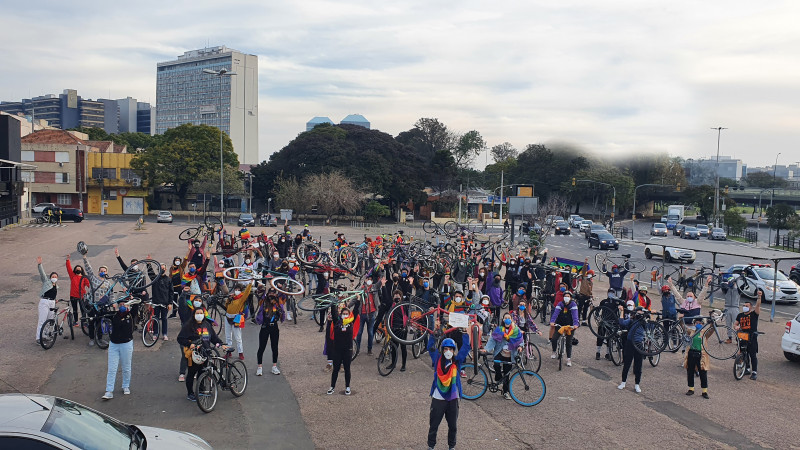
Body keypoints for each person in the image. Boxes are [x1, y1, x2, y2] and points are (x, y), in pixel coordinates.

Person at [427, 332, 470, 450]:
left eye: (450, 349)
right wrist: (433, 333)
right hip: (438, 398)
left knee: (453, 426)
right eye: (445, 349)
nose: (448, 351)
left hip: (452, 399)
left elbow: (466, 348)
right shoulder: (437, 359)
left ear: (454, 350)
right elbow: (430, 347)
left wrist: (465, 334)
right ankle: (431, 446)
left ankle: (452, 446)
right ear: (442, 350)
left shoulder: (457, 361)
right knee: (434, 425)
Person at [177, 307, 227, 401]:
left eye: (201, 313)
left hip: (205, 353)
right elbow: (180, 338)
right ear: (194, 315)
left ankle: (201, 390)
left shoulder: (207, 325)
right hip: (194, 355)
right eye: (197, 313)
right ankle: (190, 393)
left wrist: (221, 344)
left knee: (202, 372)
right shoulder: (188, 326)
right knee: (191, 373)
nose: (199, 315)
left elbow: (213, 337)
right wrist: (189, 344)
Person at [485, 312, 523, 398]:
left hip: (510, 354)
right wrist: (487, 349)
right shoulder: (499, 329)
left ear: (512, 320)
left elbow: (520, 339)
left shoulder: (516, 330)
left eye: (509, 318)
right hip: (500, 352)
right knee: (496, 364)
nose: (507, 319)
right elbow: (492, 340)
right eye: (505, 318)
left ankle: (505, 392)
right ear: (503, 319)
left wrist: (520, 346)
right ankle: (498, 377)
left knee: (507, 374)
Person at [102, 299, 134, 400]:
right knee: (112, 368)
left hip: (126, 344)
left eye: (124, 304)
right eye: (120, 304)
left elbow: (138, 303)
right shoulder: (114, 315)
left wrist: (131, 300)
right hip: (114, 344)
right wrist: (109, 304)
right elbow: (103, 312)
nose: (122, 306)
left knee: (126, 367)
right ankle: (109, 391)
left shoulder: (131, 314)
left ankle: (126, 386)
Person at [327, 300, 361, 395]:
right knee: (336, 369)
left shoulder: (351, 321)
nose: (345, 315)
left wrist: (358, 300)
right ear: (341, 314)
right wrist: (333, 300)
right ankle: (332, 387)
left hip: (348, 349)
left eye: (347, 314)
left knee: (347, 369)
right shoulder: (337, 321)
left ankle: (348, 387)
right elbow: (334, 311)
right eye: (343, 313)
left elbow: (356, 310)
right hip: (337, 349)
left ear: (349, 315)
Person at [734, 290, 762, 381]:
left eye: (747, 306)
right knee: (743, 353)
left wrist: (759, 297)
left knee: (752, 354)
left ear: (751, 307)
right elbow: (735, 324)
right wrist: (736, 327)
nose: (745, 307)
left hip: (752, 337)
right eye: (744, 306)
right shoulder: (740, 315)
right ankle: (747, 368)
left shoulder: (754, 314)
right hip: (742, 336)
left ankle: (754, 372)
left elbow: (758, 306)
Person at [617, 302, 645, 393]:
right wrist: (621, 311)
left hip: (639, 344)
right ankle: (623, 382)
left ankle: (637, 384)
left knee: (638, 365)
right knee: (627, 364)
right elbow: (621, 322)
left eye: (642, 312)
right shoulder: (631, 320)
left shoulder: (644, 322)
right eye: (639, 312)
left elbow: (652, 327)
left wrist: (651, 315)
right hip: (630, 343)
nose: (640, 313)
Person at [256, 290, 284, 376]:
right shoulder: (263, 302)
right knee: (262, 347)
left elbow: (284, 297)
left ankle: (274, 366)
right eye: (270, 293)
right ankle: (259, 367)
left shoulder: (278, 303)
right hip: (265, 327)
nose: (271, 295)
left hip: (274, 327)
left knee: (274, 347)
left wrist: (281, 289)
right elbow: (259, 295)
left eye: (273, 293)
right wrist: (261, 289)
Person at [549, 292, 580, 366]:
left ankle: (568, 359)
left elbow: (575, 315)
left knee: (569, 342)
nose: (566, 298)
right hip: (560, 325)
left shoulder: (573, 304)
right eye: (565, 296)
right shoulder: (560, 304)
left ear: (571, 297)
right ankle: (554, 351)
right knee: (554, 339)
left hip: (570, 326)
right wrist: (552, 321)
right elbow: (555, 313)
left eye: (568, 296)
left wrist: (576, 324)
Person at [684, 318, 711, 398]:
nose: (698, 324)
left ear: (703, 324)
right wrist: (680, 319)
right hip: (691, 353)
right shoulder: (691, 331)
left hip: (701, 355)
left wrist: (712, 322)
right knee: (690, 371)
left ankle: (704, 391)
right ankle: (691, 389)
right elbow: (684, 328)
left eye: (700, 323)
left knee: (703, 373)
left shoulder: (705, 333)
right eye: (696, 322)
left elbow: (711, 330)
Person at [35, 257, 59, 344]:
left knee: (50, 320)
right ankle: (38, 338)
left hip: (52, 303)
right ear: (50, 277)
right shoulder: (46, 282)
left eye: (56, 277)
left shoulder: (56, 286)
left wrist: (55, 300)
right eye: (53, 276)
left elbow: (54, 294)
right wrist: (40, 264)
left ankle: (45, 336)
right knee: (42, 320)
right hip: (45, 302)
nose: (54, 278)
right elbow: (42, 273)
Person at [596, 288, 624, 360]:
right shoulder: (604, 301)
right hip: (603, 322)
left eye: (612, 292)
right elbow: (597, 310)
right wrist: (598, 317)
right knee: (600, 337)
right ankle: (598, 352)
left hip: (612, 322)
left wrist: (618, 300)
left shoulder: (616, 302)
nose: (610, 294)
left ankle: (608, 353)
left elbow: (624, 304)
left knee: (610, 338)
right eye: (609, 292)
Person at [147, 261, 173, 340]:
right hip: (156, 302)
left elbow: (171, 292)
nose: (162, 269)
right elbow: (150, 273)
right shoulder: (155, 278)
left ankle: (164, 334)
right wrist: (148, 264)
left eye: (163, 268)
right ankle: (155, 333)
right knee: (156, 318)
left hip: (165, 303)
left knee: (164, 318)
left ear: (165, 269)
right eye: (160, 268)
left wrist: (170, 303)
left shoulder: (169, 279)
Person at [225, 283, 251, 360]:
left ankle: (240, 353)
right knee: (228, 337)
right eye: (235, 290)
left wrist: (250, 283)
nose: (236, 291)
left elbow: (247, 292)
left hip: (236, 318)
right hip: (227, 317)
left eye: (238, 290)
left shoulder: (242, 298)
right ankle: (228, 352)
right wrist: (229, 299)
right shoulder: (231, 298)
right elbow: (226, 306)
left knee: (238, 337)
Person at [65, 256, 89, 329]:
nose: (78, 269)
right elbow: (69, 269)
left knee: (83, 310)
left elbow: (89, 285)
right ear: (75, 270)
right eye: (77, 268)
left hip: (82, 296)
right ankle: (75, 321)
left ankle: (84, 322)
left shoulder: (84, 277)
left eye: (79, 268)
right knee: (75, 310)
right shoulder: (72, 276)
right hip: (73, 296)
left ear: (81, 270)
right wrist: (67, 260)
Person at [722, 277, 742, 343]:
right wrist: (727, 283)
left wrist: (741, 277)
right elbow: (722, 285)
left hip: (735, 308)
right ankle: (729, 338)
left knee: (736, 324)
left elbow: (744, 286)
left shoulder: (738, 290)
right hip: (727, 307)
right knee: (728, 324)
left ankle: (738, 339)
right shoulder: (726, 289)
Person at [577, 259, 594, 324]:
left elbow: (590, 290)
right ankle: (577, 320)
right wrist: (585, 264)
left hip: (587, 297)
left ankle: (584, 321)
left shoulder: (591, 282)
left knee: (585, 309)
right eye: (589, 273)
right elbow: (583, 271)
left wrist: (591, 295)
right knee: (579, 308)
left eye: (591, 274)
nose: (589, 275)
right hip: (582, 295)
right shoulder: (584, 278)